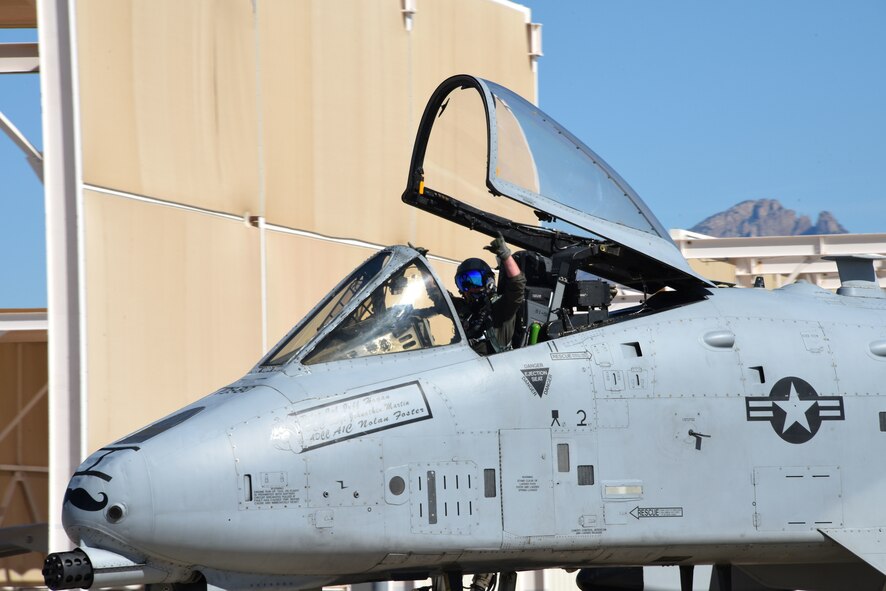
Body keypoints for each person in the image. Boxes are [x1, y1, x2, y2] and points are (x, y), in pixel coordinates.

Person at [454, 233, 526, 355]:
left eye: (475, 280)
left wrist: (506, 256)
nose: (469, 288)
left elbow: (517, 286)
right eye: (463, 282)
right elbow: (440, 298)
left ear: (488, 282)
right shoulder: (465, 308)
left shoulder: (501, 308)